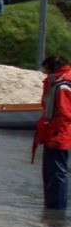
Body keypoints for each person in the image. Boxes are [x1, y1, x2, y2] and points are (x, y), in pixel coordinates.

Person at [34, 55, 71, 210]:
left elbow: (65, 115)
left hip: (57, 136)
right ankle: (51, 207)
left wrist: (58, 137)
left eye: (46, 69)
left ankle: (56, 211)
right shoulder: (59, 83)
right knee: (51, 174)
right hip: (52, 134)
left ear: (51, 68)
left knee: (57, 174)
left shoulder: (62, 86)